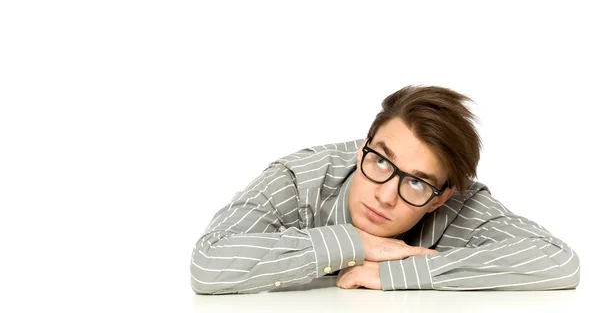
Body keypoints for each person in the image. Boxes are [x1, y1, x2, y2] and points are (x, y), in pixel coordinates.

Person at [189, 85, 580, 294]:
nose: (386, 195)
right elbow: (208, 264)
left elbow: (558, 262)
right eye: (380, 161)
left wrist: (402, 273)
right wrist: (356, 242)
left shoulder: (459, 206)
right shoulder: (298, 178)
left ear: (441, 197)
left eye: (416, 181)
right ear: (364, 146)